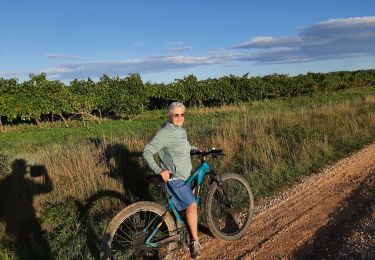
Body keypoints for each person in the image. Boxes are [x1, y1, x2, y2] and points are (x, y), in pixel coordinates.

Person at [143, 101, 201, 259]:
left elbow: (183, 145)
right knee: (192, 206)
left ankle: (184, 231)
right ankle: (195, 242)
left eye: (182, 114)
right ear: (169, 115)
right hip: (174, 179)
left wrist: (194, 149)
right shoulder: (165, 132)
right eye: (176, 115)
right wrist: (159, 170)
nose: (180, 117)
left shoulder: (180, 129)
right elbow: (147, 151)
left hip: (183, 177)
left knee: (183, 210)